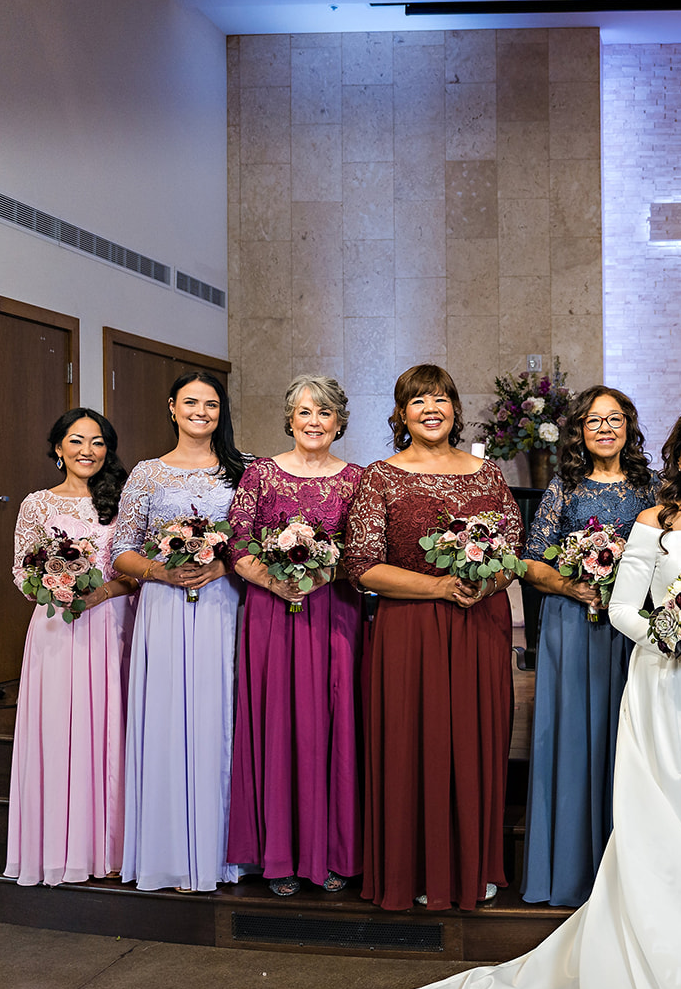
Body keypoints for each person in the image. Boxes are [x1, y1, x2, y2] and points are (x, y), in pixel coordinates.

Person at [384, 405, 681, 989]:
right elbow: (622, 610)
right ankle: (662, 944)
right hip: (666, 686)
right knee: (666, 812)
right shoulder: (654, 522)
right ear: (677, 457)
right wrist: (678, 637)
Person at [345, 364, 521, 912]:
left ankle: (473, 866)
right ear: (400, 414)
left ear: (455, 409)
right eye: (418, 400)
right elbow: (362, 567)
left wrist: (482, 581)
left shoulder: (486, 474)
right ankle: (412, 868)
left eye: (441, 398)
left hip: (478, 624)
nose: (431, 408)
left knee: (474, 741)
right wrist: (440, 586)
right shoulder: (380, 477)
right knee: (409, 745)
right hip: (409, 629)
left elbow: (511, 551)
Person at [520, 385, 659, 907]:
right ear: (579, 430)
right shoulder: (565, 487)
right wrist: (569, 585)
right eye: (594, 420)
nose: (605, 427)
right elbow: (531, 560)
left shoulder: (653, 488)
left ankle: (634, 874)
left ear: (629, 426)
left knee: (633, 735)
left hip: (633, 628)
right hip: (573, 624)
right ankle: (574, 870)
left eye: (615, 418)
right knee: (575, 736)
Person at [226, 375, 363, 898]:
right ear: (289, 418)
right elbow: (237, 540)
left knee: (329, 728)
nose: (314, 421)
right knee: (277, 725)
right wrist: (277, 581)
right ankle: (277, 853)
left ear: (339, 422)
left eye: (324, 412)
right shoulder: (261, 474)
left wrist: (319, 575)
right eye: (304, 411)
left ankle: (328, 852)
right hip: (270, 614)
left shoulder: (355, 479)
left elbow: (363, 546)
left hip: (332, 613)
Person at [112, 372, 248, 892]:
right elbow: (120, 549)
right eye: (191, 402)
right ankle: (167, 849)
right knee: (167, 715)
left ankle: (220, 849)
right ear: (172, 407)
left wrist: (223, 567)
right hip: (164, 606)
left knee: (220, 715)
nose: (201, 411)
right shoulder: (147, 474)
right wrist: (161, 571)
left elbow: (257, 539)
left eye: (211, 404)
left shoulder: (244, 470)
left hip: (222, 603)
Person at [5, 408, 137, 887]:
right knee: (59, 730)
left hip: (113, 625)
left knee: (112, 730)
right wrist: (57, 589)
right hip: (57, 626)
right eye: (77, 441)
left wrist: (98, 592)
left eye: (98, 442)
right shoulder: (37, 503)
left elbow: (135, 570)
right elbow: (22, 570)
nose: (87, 450)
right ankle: (60, 848)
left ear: (108, 449)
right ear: (58, 448)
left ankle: (114, 847)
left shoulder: (123, 500)